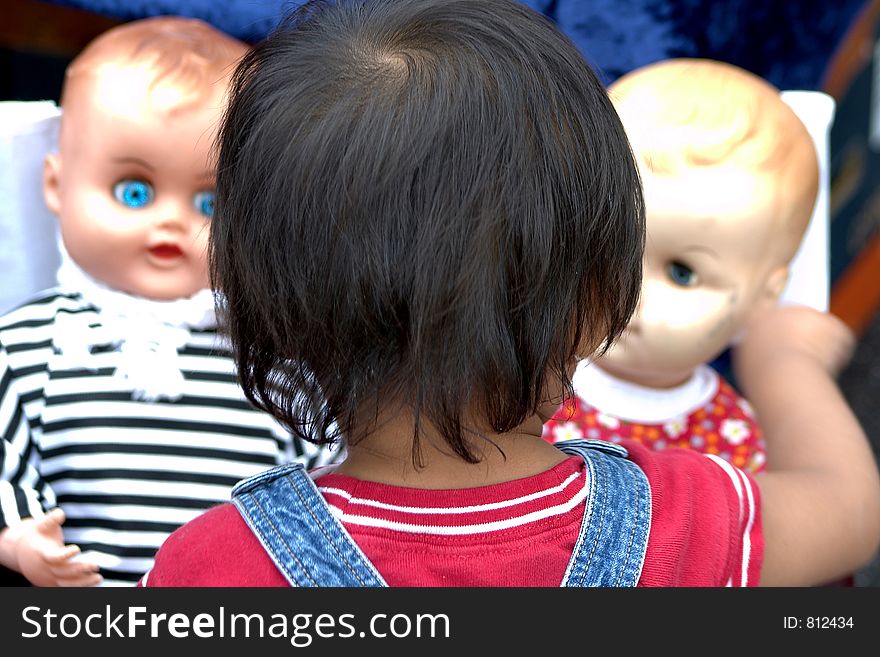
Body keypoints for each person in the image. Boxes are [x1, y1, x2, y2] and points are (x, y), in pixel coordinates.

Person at [142, 0, 880, 587]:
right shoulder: (684, 521)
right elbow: (850, 508)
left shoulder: (206, 569)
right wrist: (787, 367)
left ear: (263, 301)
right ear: (599, 302)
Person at [0, 16, 336, 587]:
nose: (170, 222)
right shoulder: (29, 345)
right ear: (55, 184)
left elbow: (328, 477)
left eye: (209, 204)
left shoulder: (271, 356)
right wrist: (19, 535)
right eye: (134, 191)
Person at [543, 59, 820, 474]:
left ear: (765, 295)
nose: (629, 290)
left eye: (681, 273)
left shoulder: (729, 437)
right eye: (612, 244)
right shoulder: (525, 365)